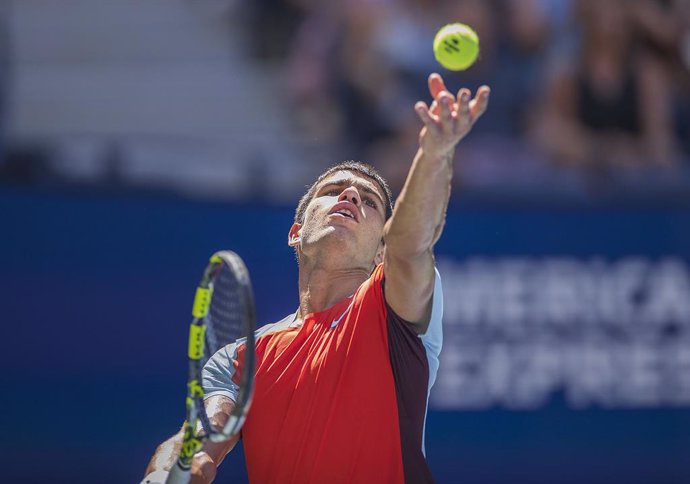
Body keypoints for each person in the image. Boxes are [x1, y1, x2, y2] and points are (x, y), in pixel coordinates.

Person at [142, 73, 490, 484]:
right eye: (335, 190)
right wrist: (170, 470)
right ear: (295, 232)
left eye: (371, 201)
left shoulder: (392, 306)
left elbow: (410, 244)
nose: (351, 196)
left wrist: (434, 154)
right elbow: (197, 441)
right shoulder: (239, 360)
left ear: (381, 252)